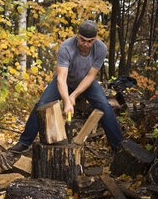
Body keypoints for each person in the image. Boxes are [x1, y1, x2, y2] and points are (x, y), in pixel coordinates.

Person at [9, 20, 123, 153]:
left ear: (95, 38)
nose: (86, 44)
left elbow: (91, 76)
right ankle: (24, 142)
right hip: (66, 81)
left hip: (87, 82)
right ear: (77, 34)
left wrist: (73, 96)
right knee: (42, 104)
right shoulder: (66, 47)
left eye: (90, 41)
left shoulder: (101, 48)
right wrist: (66, 100)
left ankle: (118, 147)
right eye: (82, 40)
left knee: (104, 106)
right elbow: (61, 78)